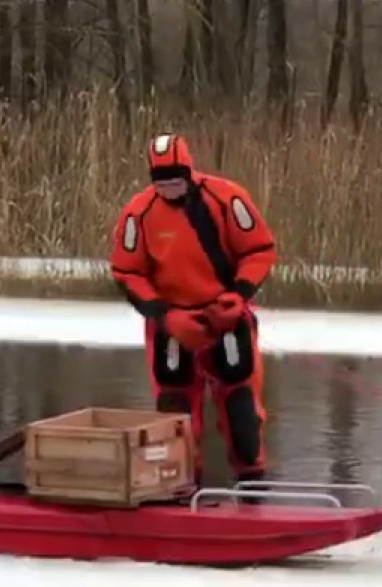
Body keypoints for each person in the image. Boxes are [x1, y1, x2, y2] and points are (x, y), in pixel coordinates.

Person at [108, 133, 277, 484]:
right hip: (173, 325)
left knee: (242, 411)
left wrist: (238, 295)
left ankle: (252, 486)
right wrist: (163, 315)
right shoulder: (138, 213)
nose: (169, 189)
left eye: (176, 180)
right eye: (162, 183)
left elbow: (258, 250)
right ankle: (181, 485)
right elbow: (127, 272)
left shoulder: (226, 198)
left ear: (188, 172)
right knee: (175, 414)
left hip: (226, 318)